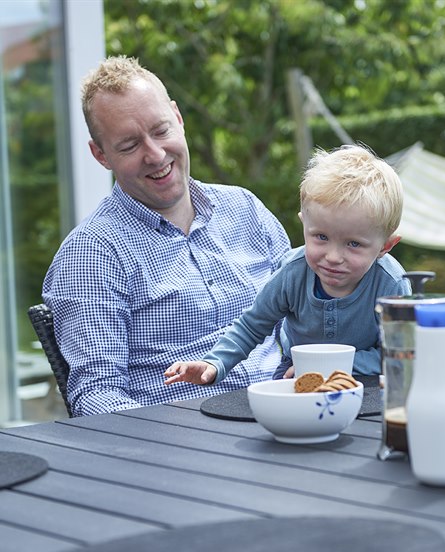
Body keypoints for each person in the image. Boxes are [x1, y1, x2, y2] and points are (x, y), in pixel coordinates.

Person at [42, 55, 291, 416]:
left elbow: (305, 318)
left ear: (178, 117)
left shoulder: (246, 209)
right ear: (101, 155)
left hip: (291, 415)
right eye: (129, 145)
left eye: (160, 131)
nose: (155, 155)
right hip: (187, 444)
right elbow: (96, 396)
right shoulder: (91, 254)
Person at [164, 144, 411, 388]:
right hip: (295, 369)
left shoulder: (391, 284)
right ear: (305, 224)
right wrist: (215, 363)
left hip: (365, 376)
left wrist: (330, 366)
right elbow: (252, 324)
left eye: (354, 244)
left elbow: (399, 355)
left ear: (385, 246)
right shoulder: (293, 272)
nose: (334, 257)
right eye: (321, 237)